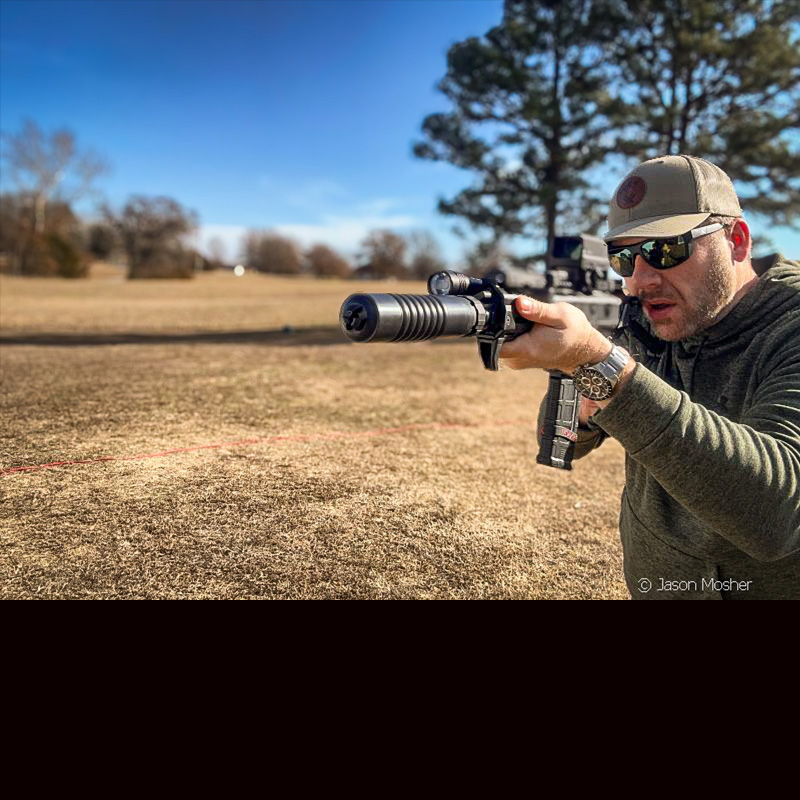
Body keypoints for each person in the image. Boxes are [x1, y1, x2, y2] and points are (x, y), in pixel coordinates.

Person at [500, 154, 800, 600]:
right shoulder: (642, 315)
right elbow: (564, 441)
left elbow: (778, 516)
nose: (638, 282)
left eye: (664, 249)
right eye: (623, 257)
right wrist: (581, 388)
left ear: (737, 241)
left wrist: (605, 365)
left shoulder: (789, 323)